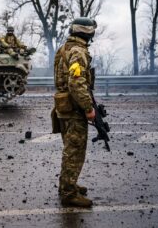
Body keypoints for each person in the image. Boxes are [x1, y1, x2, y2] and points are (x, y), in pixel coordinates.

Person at [52, 17, 98, 208]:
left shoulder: (64, 48)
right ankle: (68, 193)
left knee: (70, 148)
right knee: (74, 150)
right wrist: (88, 108)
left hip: (64, 106)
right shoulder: (78, 52)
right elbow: (76, 82)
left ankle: (68, 184)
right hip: (74, 108)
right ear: (88, 33)